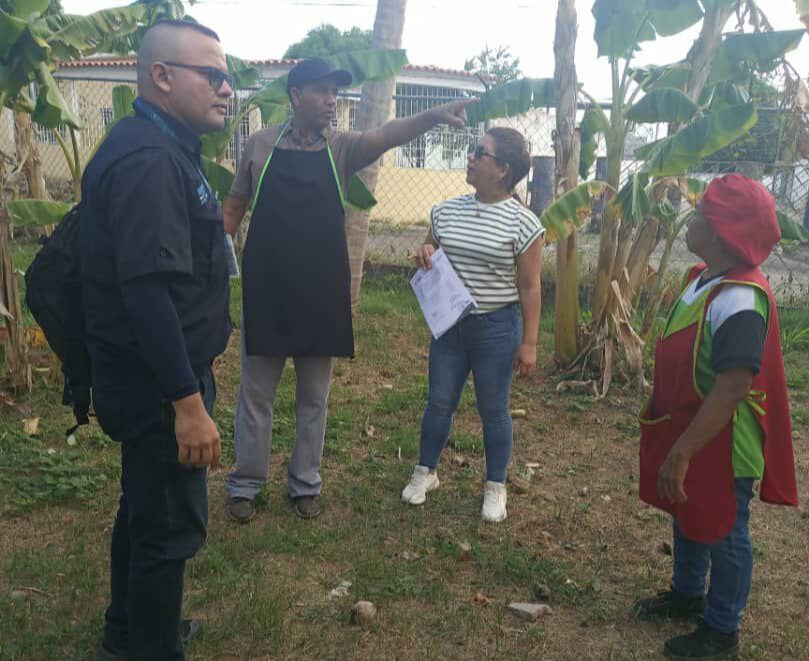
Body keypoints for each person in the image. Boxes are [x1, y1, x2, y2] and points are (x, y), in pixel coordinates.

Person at [224, 57, 476, 522]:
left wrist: (433, 116)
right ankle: (246, 483)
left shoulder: (341, 148)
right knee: (256, 393)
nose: (331, 100)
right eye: (321, 91)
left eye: (334, 92)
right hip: (268, 290)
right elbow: (235, 205)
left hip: (322, 291)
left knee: (314, 397)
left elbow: (388, 134)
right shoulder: (259, 145)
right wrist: (215, 264)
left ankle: (304, 483)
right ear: (296, 96)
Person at [80, 20, 233, 661]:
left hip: (150, 377)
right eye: (213, 75)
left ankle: (135, 631)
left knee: (144, 510)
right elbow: (147, 293)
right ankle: (149, 647)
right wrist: (188, 406)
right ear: (162, 77)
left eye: (229, 77)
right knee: (169, 524)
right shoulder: (149, 160)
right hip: (156, 386)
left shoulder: (164, 145)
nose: (227, 89)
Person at [634, 173, 798, 660]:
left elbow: (732, 388)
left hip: (722, 440)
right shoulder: (700, 280)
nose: (691, 219)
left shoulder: (740, 299)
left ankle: (722, 629)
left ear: (725, 231)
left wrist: (682, 451)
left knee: (725, 527)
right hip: (688, 425)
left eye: (701, 214)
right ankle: (688, 593)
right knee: (686, 510)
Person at [400, 127, 543, 523]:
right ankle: (425, 471)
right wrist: (425, 252)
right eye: (472, 150)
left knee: (493, 409)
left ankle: (495, 485)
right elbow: (430, 251)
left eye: (479, 152)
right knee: (439, 402)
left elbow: (530, 288)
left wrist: (529, 343)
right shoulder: (446, 211)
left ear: (502, 169)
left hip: (496, 329)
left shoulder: (524, 225)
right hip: (450, 327)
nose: (470, 156)